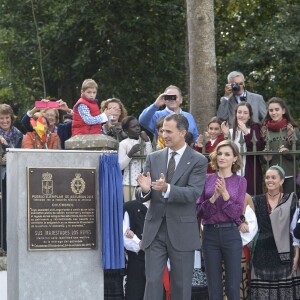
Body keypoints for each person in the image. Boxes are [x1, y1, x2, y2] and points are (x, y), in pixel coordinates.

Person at [136, 114, 208, 300]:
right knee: (152, 282)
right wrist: (144, 191)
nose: (164, 134)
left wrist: (167, 188)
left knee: (181, 284)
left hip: (182, 230)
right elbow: (143, 190)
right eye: (162, 131)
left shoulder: (199, 160)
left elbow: (193, 193)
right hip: (155, 230)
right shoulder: (153, 157)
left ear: (183, 133)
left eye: (169, 131)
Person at [196, 139, 247, 300]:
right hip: (210, 235)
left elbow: (237, 213)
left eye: (227, 154)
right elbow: (199, 212)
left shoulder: (240, 181)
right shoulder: (206, 179)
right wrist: (213, 198)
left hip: (231, 233)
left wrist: (224, 195)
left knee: (233, 286)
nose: (222, 157)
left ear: (235, 159)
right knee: (214, 286)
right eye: (219, 153)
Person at [250, 165, 300, 299]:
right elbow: (250, 225)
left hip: (285, 253)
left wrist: (296, 254)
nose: (269, 180)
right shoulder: (256, 200)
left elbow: (295, 229)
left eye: (273, 177)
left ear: (282, 181)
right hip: (262, 254)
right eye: (267, 177)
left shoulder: (291, 199)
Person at [221, 102, 264, 195]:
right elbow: (226, 151)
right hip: (233, 170)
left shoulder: (254, 128)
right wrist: (225, 135)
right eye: (239, 112)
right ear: (235, 114)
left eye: (245, 113)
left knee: (251, 197)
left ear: (249, 116)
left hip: (250, 169)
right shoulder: (231, 131)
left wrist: (245, 131)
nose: (242, 115)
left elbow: (257, 149)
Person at [261, 97, 300, 193]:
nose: (274, 113)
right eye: (271, 110)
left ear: (283, 111)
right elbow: (258, 156)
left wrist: (288, 153)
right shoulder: (264, 131)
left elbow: (298, 154)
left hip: (290, 174)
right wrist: (265, 157)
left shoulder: (293, 130)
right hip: (272, 177)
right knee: (274, 205)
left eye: (277, 109)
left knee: (289, 203)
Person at [0, 104, 23, 251]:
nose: (4, 121)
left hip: (14, 176)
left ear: (11, 118)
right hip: (1, 176)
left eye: (7, 117)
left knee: (11, 210)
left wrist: (11, 154)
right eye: (1, 118)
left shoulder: (18, 134)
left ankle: (9, 245)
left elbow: (20, 153)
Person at [118, 116, 152, 202]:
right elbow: (120, 166)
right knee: (130, 208)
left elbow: (150, 158)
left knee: (143, 207)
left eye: (138, 126)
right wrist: (130, 153)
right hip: (128, 182)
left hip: (144, 182)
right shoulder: (123, 143)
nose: (137, 129)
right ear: (126, 131)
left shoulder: (145, 140)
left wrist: (147, 141)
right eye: (133, 127)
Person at [123, 199, 150, 300]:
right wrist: (142, 246)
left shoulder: (163, 206)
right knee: (135, 294)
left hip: (157, 263)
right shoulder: (129, 207)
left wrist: (135, 238)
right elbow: (125, 238)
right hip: (136, 261)